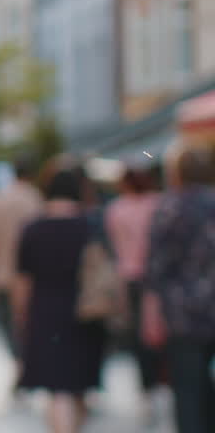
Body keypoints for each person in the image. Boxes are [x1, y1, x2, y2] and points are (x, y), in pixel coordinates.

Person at [13, 162, 107, 433]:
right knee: (76, 385)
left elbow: (23, 279)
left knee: (57, 389)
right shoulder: (90, 225)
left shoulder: (33, 229)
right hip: (87, 310)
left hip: (46, 310)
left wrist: (21, 314)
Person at [142, 144, 215, 433]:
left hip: (181, 313)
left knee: (187, 390)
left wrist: (151, 315)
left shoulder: (168, 208)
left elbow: (157, 268)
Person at [103, 165, 165, 423]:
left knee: (139, 337)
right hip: (159, 276)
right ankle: (162, 382)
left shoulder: (116, 210)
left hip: (131, 277)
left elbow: (117, 247)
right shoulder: (158, 204)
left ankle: (147, 390)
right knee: (162, 332)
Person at [0, 153, 42, 364]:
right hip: (29, 273)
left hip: (0, 272)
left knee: (6, 323)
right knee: (25, 322)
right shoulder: (36, 199)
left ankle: (18, 361)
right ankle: (23, 362)